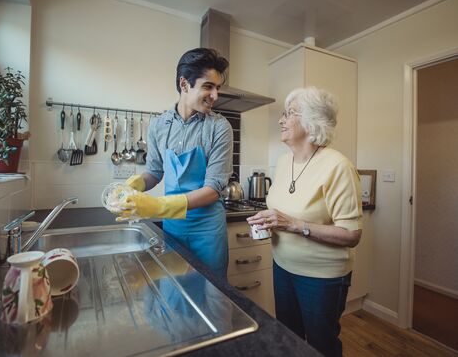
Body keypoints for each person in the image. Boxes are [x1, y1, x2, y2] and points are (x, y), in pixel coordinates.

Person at [247, 86, 362, 357]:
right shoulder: (284, 161)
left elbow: (352, 234)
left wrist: (295, 225)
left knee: (321, 345)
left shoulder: (338, 166)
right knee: (289, 338)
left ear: (312, 121)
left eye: (289, 114)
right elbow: (286, 208)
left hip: (321, 277)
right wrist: (270, 220)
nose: (281, 120)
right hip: (283, 266)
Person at [117, 48, 233, 278]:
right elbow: (155, 171)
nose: (215, 96)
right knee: (176, 293)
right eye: (208, 86)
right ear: (184, 84)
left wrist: (158, 206)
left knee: (212, 296)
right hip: (174, 229)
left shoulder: (220, 128)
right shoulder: (158, 125)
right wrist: (135, 184)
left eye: (217, 88)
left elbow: (212, 190)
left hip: (208, 231)